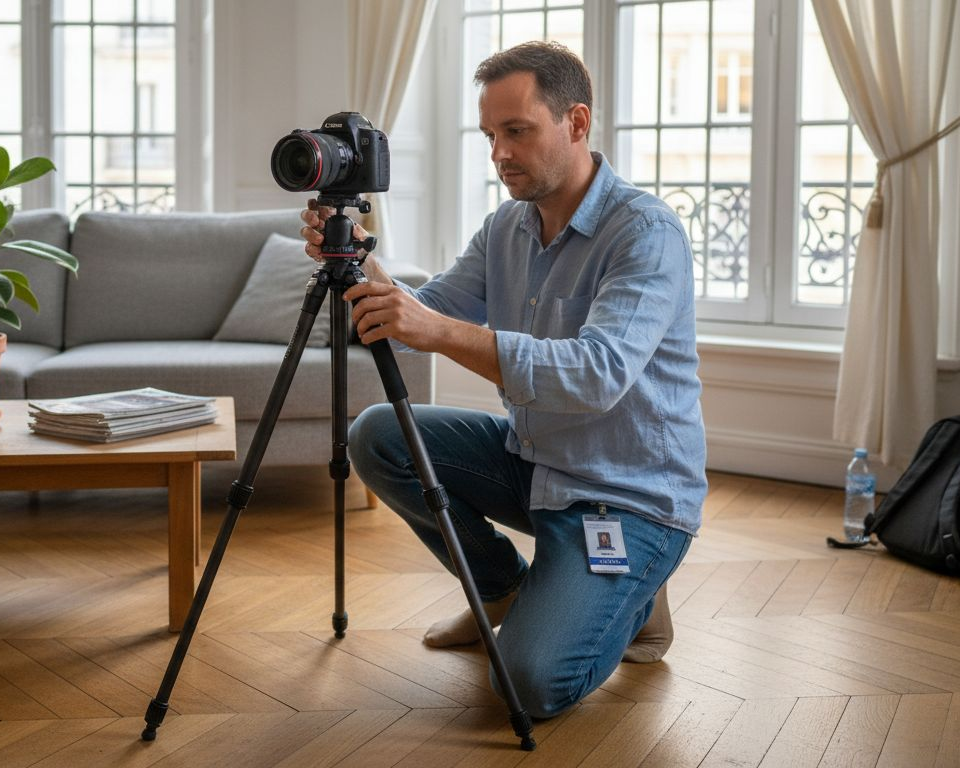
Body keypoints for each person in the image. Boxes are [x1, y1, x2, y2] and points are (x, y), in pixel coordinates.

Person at [299, 40, 705, 719]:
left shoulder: (645, 233)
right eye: (491, 134)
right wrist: (354, 257)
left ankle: (633, 591)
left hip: (626, 494)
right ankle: (502, 590)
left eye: (517, 131)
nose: (498, 153)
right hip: (535, 462)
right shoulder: (508, 227)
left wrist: (434, 331)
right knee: (378, 436)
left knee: (526, 683)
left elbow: (597, 375)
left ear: (576, 123)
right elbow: (429, 314)